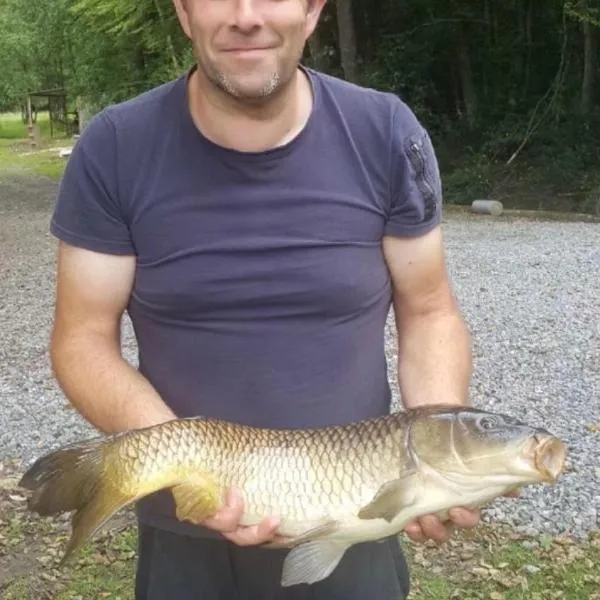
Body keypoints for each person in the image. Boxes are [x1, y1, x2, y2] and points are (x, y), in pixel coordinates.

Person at [47, 0, 481, 598]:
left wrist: (436, 452)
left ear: (311, 11)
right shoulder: (115, 148)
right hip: (185, 535)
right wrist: (192, 471)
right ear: (183, 12)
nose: (245, 15)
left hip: (358, 515)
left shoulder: (386, 133)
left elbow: (429, 311)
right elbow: (81, 339)